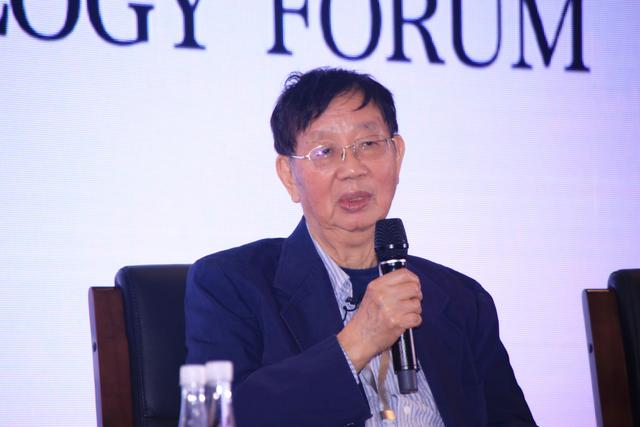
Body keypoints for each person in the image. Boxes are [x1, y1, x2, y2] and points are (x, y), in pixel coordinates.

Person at [185, 67, 536, 427]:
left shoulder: (462, 300)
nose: (352, 169)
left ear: (397, 155)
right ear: (289, 175)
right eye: (325, 151)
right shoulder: (231, 284)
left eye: (368, 145)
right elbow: (219, 418)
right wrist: (357, 341)